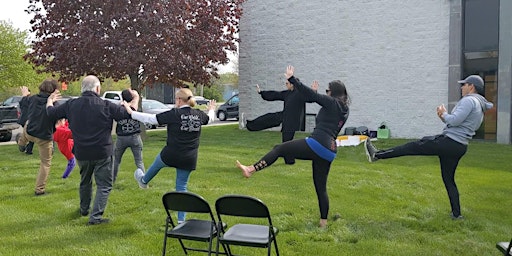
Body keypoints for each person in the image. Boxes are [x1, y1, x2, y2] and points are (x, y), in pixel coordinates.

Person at [364, 75, 494, 220]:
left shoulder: (469, 100)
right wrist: (444, 117)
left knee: (412, 146)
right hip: (460, 146)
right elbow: (457, 123)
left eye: (464, 85)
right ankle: (457, 215)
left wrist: (443, 113)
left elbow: (454, 120)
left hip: (449, 142)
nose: (461, 87)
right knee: (449, 179)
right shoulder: (480, 106)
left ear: (472, 86)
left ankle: (377, 155)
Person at [236, 65, 350, 228]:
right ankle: (323, 223)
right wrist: (305, 89)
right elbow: (312, 96)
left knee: (280, 148)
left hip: (318, 143)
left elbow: (312, 95)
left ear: (334, 92)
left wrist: (292, 79)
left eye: (328, 90)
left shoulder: (333, 103)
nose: (326, 92)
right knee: (320, 187)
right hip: (330, 151)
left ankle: (251, 169)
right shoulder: (344, 108)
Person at [46, 75, 136, 225]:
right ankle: (95, 217)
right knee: (104, 185)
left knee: (85, 181)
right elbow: (128, 113)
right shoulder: (106, 105)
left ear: (82, 88)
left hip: (82, 151)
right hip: (102, 151)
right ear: (98, 89)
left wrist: (50, 101)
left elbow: (51, 114)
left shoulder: (71, 105)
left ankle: (84, 209)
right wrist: (135, 98)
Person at [122, 88, 215, 223]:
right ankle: (181, 221)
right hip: (189, 157)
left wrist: (131, 112)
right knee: (181, 188)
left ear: (178, 100)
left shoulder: (175, 113)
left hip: (171, 153)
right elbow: (210, 119)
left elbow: (152, 119)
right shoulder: (199, 114)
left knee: (157, 163)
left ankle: (143, 181)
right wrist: (211, 109)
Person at [17, 80, 59, 196]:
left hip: (30, 132)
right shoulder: (54, 104)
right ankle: (39, 190)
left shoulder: (33, 99)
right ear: (53, 91)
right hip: (44, 138)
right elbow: (58, 119)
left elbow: (24, 102)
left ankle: (21, 142)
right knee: (45, 163)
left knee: (27, 123)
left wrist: (25, 94)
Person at [112, 89, 145, 183]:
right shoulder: (134, 108)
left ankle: (112, 180)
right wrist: (134, 94)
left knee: (116, 160)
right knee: (139, 161)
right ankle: (143, 181)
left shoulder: (118, 109)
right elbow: (136, 96)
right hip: (134, 137)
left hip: (121, 138)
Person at [16, 86, 34, 155]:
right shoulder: (28, 100)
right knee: (29, 134)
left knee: (29, 134)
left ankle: (25, 147)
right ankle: (23, 145)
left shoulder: (26, 100)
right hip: (26, 119)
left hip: (27, 119)